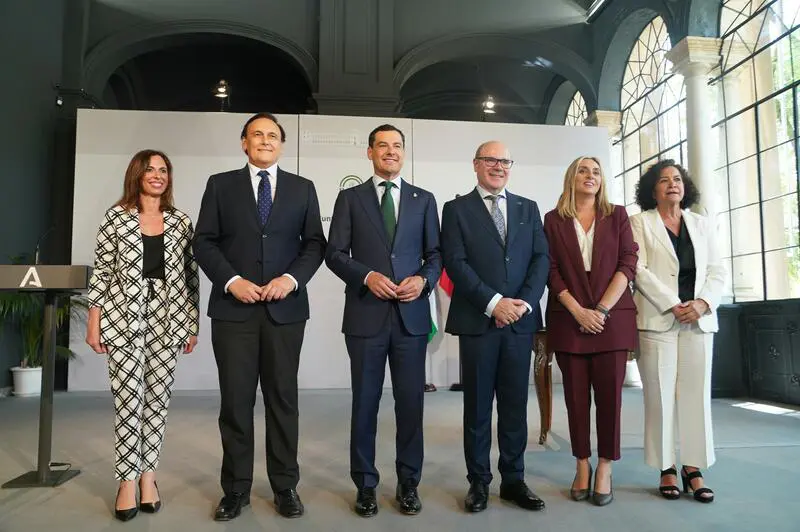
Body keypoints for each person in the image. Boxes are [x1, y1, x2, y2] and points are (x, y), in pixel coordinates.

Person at [193, 112, 326, 520]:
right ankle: (235, 490)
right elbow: (204, 241)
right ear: (244, 142)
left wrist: (291, 279)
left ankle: (285, 486)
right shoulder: (220, 185)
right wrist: (231, 281)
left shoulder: (303, 188)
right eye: (257, 134)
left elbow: (315, 244)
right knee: (235, 403)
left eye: (272, 135)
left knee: (283, 400)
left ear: (281, 144)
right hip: (234, 311)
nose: (265, 140)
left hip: (285, 311)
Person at [326, 124, 441, 517]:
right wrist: (367, 276)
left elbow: (435, 255)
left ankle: (409, 483)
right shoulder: (350, 198)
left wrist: (423, 280)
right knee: (365, 403)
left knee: (411, 404)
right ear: (369, 153)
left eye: (397, 146)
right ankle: (365, 485)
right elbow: (334, 253)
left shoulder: (424, 199)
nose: (390, 151)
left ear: (403, 153)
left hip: (411, 319)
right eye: (383, 146)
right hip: (366, 316)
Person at [85, 149, 199, 522]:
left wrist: (192, 323)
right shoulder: (116, 218)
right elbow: (102, 272)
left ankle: (148, 478)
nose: (157, 175)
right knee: (128, 402)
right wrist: (93, 321)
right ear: (137, 174)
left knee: (157, 402)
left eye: (163, 170)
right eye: (150, 169)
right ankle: (126, 481)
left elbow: (191, 277)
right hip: (122, 319)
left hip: (169, 320)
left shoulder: (181, 222)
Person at [441, 141, 549, 513]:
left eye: (504, 160)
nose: (498, 166)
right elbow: (455, 263)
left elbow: (541, 259)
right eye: (490, 159)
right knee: (477, 408)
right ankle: (479, 482)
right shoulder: (456, 209)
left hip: (519, 322)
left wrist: (523, 303)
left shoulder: (527, 208)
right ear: (476, 164)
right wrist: (493, 304)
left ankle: (514, 481)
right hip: (478, 322)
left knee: (515, 407)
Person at [543, 156, 638, 506]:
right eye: (583, 170)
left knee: (610, 399)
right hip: (569, 318)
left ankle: (605, 467)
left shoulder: (618, 215)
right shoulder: (553, 220)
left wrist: (600, 310)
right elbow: (550, 270)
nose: (590, 176)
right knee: (576, 399)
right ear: (572, 177)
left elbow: (628, 263)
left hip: (611, 318)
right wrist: (578, 311)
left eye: (596, 171)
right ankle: (582, 463)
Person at [630, 159, 726, 504]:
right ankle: (666, 467)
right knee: (659, 395)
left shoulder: (701, 224)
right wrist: (673, 304)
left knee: (695, 395)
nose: (672, 184)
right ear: (652, 190)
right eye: (664, 180)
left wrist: (702, 303)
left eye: (677, 179)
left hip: (698, 320)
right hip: (658, 320)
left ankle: (693, 468)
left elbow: (717, 270)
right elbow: (638, 270)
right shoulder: (639, 223)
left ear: (685, 188)